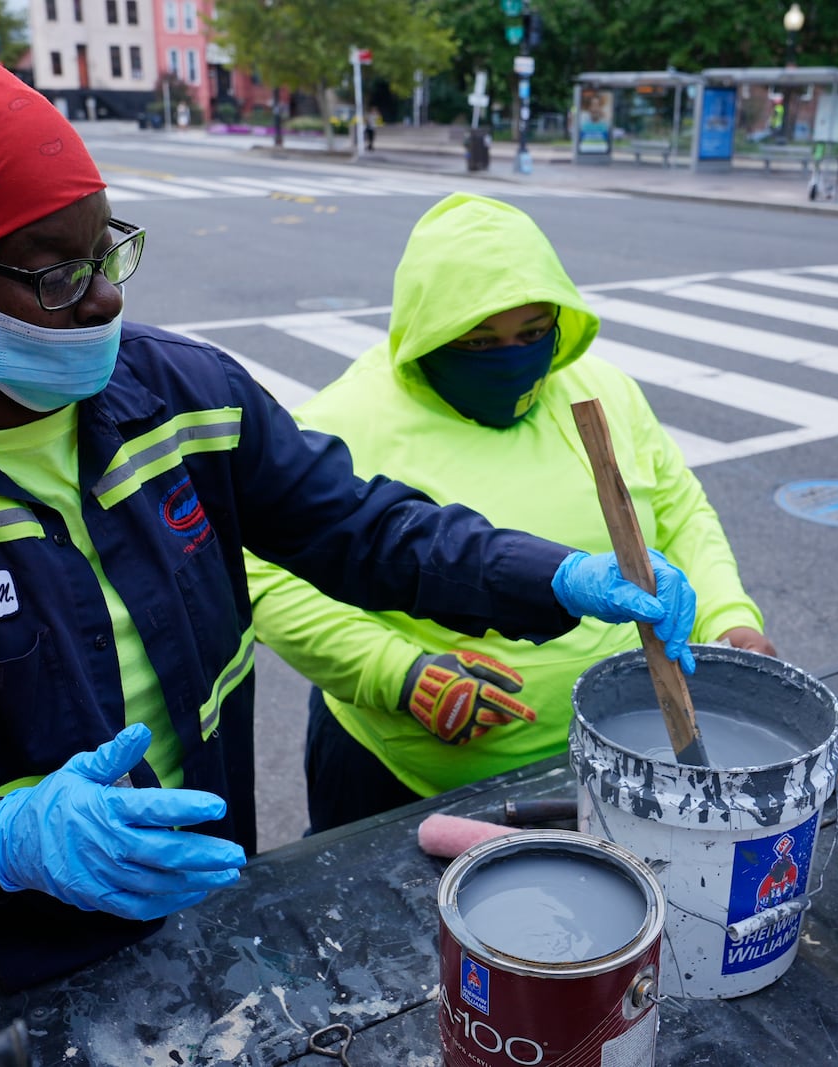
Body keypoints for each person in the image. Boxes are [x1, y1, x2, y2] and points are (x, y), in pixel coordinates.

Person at [0, 34, 698, 991]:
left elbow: (362, 528)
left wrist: (554, 574)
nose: (101, 302)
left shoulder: (186, 397)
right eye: (55, 272)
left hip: (207, 894)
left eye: (107, 251)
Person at [245, 193, 776, 834]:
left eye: (532, 334)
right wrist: (396, 673)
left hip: (598, 755)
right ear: (428, 336)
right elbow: (266, 573)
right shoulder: (342, 423)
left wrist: (729, 618)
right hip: (402, 778)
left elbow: (678, 507)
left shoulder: (602, 391)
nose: (512, 357)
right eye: (477, 342)